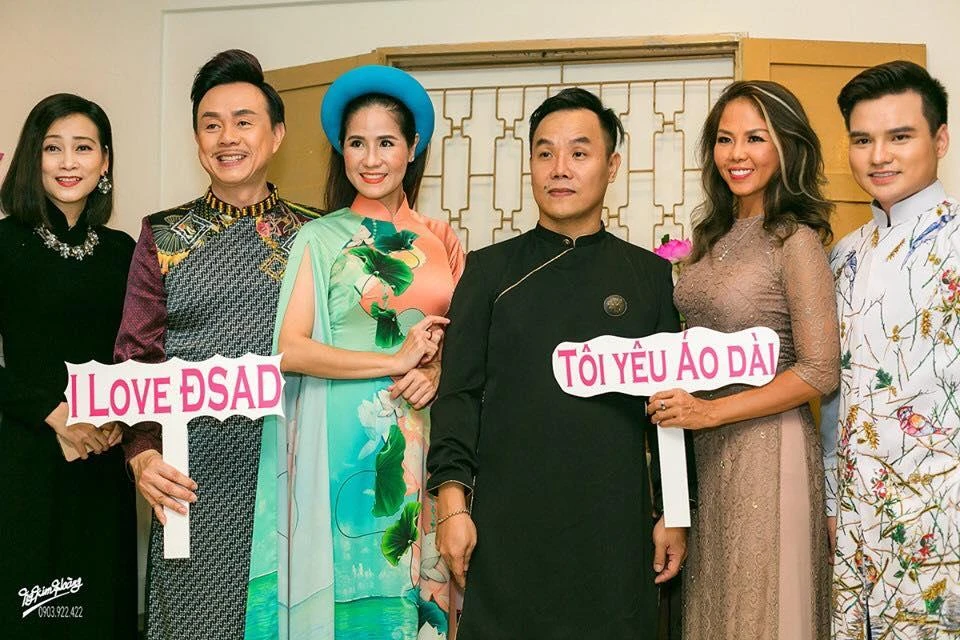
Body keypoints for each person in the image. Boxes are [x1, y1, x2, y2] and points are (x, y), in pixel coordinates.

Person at [426, 87, 686, 639]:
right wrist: (452, 502)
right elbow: (458, 394)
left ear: (612, 166)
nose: (559, 168)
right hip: (507, 526)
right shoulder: (490, 271)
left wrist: (674, 511)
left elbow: (667, 409)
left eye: (579, 152)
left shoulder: (648, 277)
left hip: (613, 528)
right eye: (545, 152)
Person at [243, 65, 463, 639]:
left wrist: (438, 371)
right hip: (340, 438)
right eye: (357, 143)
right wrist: (394, 362)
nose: (371, 159)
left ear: (413, 147)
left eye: (386, 142)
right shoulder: (318, 238)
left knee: (421, 589)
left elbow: (469, 346)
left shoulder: (442, 240)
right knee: (349, 587)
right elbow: (289, 350)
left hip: (427, 436)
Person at [113, 50, 321, 639]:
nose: (227, 137)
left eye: (244, 121)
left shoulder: (317, 233)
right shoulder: (163, 235)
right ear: (197, 139)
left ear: (277, 134)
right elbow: (135, 357)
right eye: (211, 124)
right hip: (191, 477)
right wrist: (142, 455)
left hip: (295, 468)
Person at [647, 81, 840, 639]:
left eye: (756, 138)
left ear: (786, 146)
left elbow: (820, 369)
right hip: (709, 449)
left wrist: (709, 412)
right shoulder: (714, 235)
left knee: (760, 612)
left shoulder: (795, 240)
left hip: (769, 447)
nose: (737, 154)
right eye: (725, 139)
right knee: (718, 608)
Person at [822, 60, 958, 640]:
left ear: (940, 140)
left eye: (899, 136)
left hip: (944, 513)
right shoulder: (842, 256)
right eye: (862, 140)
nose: (879, 156)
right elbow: (832, 393)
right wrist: (832, 501)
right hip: (859, 518)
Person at [0, 93, 136, 638]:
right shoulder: (4, 244)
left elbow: (138, 351)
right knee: (37, 614)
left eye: (83, 148)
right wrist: (56, 415)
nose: (68, 162)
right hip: (28, 457)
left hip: (104, 455)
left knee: (98, 612)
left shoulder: (124, 251)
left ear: (104, 161)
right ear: (33, 158)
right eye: (53, 148)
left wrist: (121, 417)